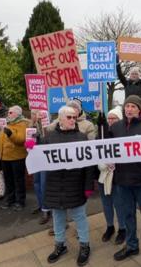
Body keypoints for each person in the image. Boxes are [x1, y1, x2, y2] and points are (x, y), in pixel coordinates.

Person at [109, 95, 141, 267]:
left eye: (133, 106)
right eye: (127, 106)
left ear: (139, 109)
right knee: (127, 215)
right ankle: (132, 245)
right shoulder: (115, 127)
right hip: (122, 181)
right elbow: (105, 149)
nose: (129, 109)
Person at [41, 106, 96, 266]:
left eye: (74, 117)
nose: (73, 120)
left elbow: (89, 164)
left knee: (79, 217)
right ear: (60, 119)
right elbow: (38, 156)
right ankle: (60, 245)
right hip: (55, 185)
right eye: (69, 117)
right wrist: (31, 146)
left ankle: (85, 246)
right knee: (58, 217)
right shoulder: (49, 137)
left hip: (75, 184)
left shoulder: (82, 137)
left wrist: (88, 185)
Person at [97, 108, 126, 244]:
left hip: (117, 175)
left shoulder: (123, 134)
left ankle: (122, 228)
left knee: (119, 203)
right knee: (106, 203)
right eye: (109, 118)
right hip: (103, 175)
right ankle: (110, 226)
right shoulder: (101, 134)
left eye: (113, 118)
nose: (110, 121)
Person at [0, 106, 29, 211]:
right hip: (5, 157)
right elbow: (0, 139)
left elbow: (21, 140)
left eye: (11, 113)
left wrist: (10, 134)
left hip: (17, 157)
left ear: (18, 114)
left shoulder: (22, 124)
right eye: (8, 113)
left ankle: (20, 201)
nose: (8, 114)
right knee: (8, 180)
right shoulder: (7, 124)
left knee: (18, 180)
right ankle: (10, 199)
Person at [28, 110, 50, 224]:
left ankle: (46, 209)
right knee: (36, 183)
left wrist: (41, 137)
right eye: (34, 114)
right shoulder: (31, 127)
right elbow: (28, 143)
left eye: (40, 115)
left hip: (45, 160)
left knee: (43, 184)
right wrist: (30, 141)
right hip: (35, 158)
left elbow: (49, 142)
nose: (37, 116)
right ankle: (41, 205)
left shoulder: (49, 127)